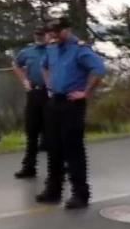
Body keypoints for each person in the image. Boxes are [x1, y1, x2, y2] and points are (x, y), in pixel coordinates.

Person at [37, 16, 107, 210]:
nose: (53, 36)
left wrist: (86, 92)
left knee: (73, 149)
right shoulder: (51, 48)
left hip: (72, 103)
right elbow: (43, 66)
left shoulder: (80, 49)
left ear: (67, 30)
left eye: (57, 32)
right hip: (55, 101)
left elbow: (99, 69)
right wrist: (49, 85)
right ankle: (53, 190)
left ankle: (80, 193)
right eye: (51, 32)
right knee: (54, 148)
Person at [12, 25, 52, 180]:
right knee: (32, 130)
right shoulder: (27, 52)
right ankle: (29, 167)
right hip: (34, 92)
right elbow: (16, 64)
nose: (39, 37)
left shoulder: (53, 50)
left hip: (51, 93)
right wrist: (24, 80)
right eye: (37, 35)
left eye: (42, 35)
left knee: (53, 131)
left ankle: (60, 166)